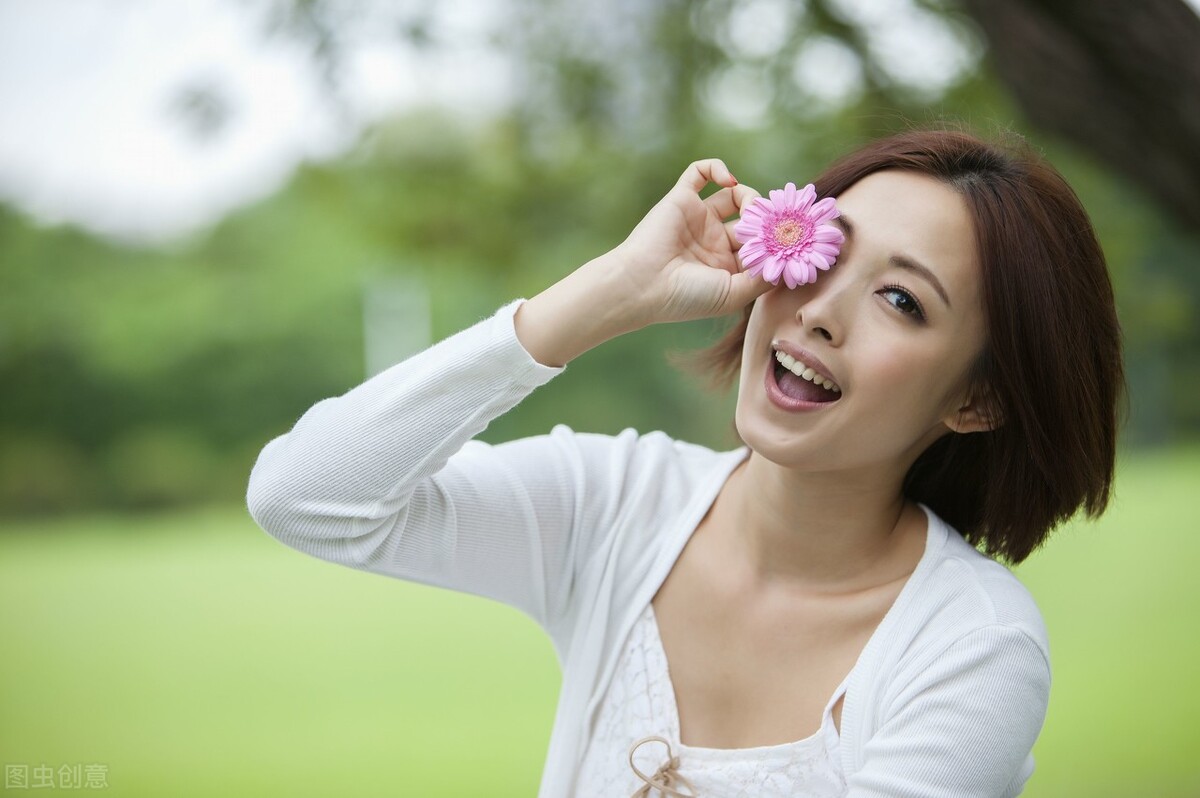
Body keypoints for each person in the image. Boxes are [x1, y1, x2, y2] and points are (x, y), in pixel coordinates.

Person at [246, 126, 1123, 797]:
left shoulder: (971, 646)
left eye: (901, 299)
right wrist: (610, 293)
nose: (817, 310)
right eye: (824, 249)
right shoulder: (619, 504)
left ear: (977, 401)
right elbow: (306, 495)